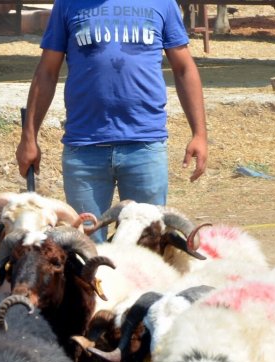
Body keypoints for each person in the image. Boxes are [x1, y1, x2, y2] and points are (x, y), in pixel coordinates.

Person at [16, 0, 207, 242]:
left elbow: (184, 69)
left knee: (146, 244)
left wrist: (199, 134)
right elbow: (47, 72)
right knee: (86, 247)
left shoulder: (161, 3)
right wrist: (29, 137)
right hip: (84, 150)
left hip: (144, 147)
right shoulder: (67, 4)